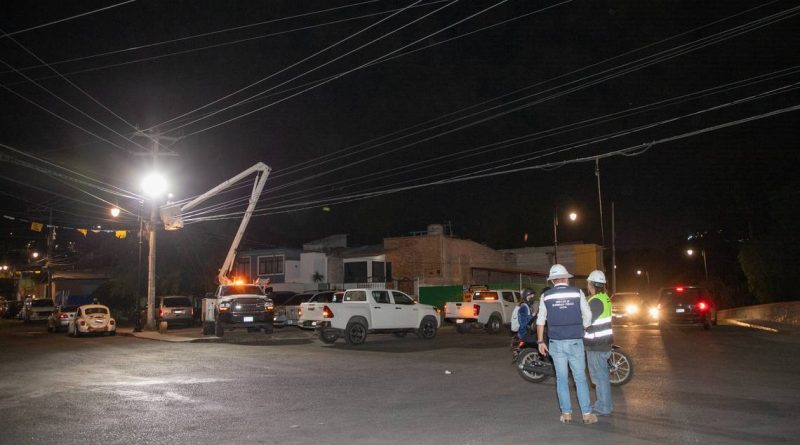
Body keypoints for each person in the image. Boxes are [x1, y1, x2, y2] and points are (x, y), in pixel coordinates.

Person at [536, 264, 597, 424]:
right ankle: (586, 414)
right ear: (565, 278)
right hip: (575, 341)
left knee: (561, 379)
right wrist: (583, 328)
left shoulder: (546, 296)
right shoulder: (577, 293)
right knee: (580, 379)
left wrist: (540, 341)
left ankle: (566, 414)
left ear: (553, 280)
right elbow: (588, 314)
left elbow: (540, 320)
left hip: (556, 343)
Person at [584, 270, 614, 416]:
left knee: (599, 377)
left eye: (589, 283)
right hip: (604, 342)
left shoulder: (595, 301)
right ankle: (602, 403)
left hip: (596, 344)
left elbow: (587, 321)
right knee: (601, 376)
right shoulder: (605, 298)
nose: (588, 286)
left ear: (592, 284)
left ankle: (604, 406)